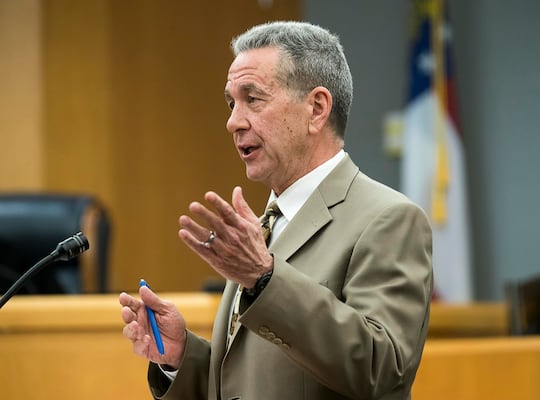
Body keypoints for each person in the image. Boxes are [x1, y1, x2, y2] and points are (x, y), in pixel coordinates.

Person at [120, 21, 433, 400]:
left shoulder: (390, 218)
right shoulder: (265, 224)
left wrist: (266, 278)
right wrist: (182, 356)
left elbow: (381, 368)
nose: (233, 121)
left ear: (316, 109)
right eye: (231, 102)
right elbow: (254, 380)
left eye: (253, 98)